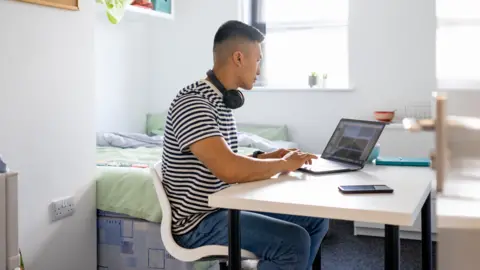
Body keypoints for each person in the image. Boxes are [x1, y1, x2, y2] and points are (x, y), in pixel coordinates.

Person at [161, 20, 329, 270]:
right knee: (293, 242)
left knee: (315, 220)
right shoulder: (194, 103)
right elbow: (229, 170)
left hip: (223, 205)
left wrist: (270, 158)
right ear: (239, 58)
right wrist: (281, 164)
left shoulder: (221, 100)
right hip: (199, 222)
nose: (259, 70)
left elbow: (226, 159)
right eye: (258, 59)